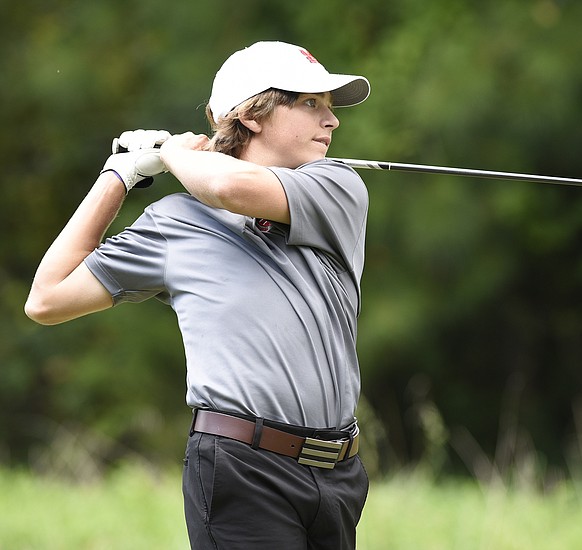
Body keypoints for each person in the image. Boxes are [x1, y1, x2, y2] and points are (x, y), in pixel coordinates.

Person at [25, 41, 372, 549]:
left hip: (339, 474)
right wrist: (118, 177)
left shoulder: (336, 187)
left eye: (329, 105)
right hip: (241, 466)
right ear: (252, 115)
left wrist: (169, 154)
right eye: (309, 103)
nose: (332, 120)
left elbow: (230, 189)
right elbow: (47, 299)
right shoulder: (175, 224)